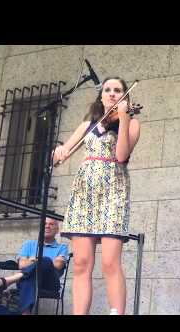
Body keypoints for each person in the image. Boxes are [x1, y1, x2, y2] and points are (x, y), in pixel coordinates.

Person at [53, 76, 141, 315]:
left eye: (118, 90)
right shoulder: (89, 123)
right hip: (85, 192)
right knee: (81, 263)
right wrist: (59, 151)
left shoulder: (131, 123)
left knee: (110, 262)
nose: (112, 93)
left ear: (125, 95)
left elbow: (121, 155)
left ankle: (117, 312)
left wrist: (123, 117)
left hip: (114, 190)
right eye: (108, 90)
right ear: (101, 95)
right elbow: (64, 153)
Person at [0, 217, 69, 315]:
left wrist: (34, 260)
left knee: (46, 260)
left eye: (51, 224)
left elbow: (58, 265)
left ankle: (8, 280)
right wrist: (38, 263)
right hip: (29, 279)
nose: (47, 226)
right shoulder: (29, 244)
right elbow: (22, 265)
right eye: (44, 224)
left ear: (57, 230)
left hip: (50, 283)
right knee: (30, 276)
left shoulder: (62, 247)